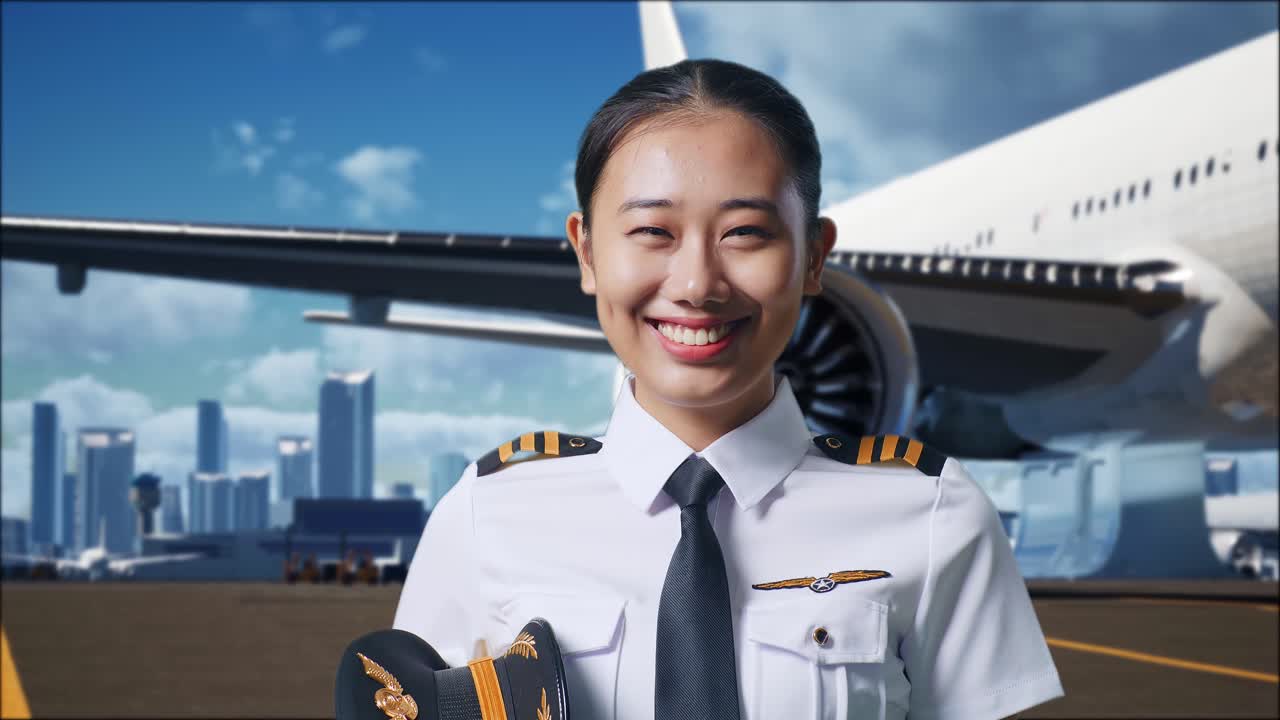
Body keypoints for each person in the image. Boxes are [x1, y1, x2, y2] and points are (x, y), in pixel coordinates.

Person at [392, 58, 1063, 719]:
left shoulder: (935, 514)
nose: (697, 285)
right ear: (587, 251)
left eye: (745, 233)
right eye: (652, 232)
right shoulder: (486, 513)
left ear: (815, 256)